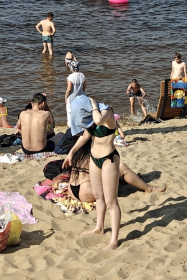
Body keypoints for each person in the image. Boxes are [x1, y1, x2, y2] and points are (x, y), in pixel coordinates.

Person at [62, 96, 122, 250]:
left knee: (111, 202)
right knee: (98, 196)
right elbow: (85, 136)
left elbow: (98, 121)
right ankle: (99, 228)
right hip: (94, 159)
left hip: (109, 159)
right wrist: (71, 153)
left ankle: (114, 241)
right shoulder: (92, 118)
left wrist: (94, 105)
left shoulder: (106, 113)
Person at [62, 138, 165, 205]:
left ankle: (130, 179)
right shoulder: (94, 148)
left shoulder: (77, 147)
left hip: (73, 189)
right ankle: (149, 188)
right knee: (122, 168)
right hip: (86, 192)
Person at [65, 59, 87, 129]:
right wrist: (82, 91)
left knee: (70, 113)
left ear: (71, 68)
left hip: (72, 98)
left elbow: (69, 89)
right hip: (80, 97)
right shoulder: (82, 75)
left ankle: (71, 127)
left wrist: (66, 97)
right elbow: (85, 86)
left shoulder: (70, 77)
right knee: (79, 112)